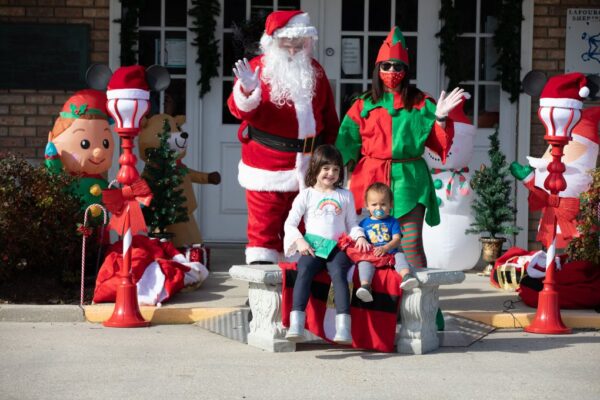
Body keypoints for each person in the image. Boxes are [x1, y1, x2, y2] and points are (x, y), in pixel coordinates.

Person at [336, 27, 464, 269]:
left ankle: (419, 292)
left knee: (410, 241)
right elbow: (346, 143)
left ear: (406, 71)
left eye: (398, 66)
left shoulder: (421, 102)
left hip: (410, 177)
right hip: (371, 176)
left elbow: (439, 144)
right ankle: (377, 291)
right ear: (378, 69)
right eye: (386, 66)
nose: (392, 71)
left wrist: (440, 119)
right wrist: (343, 177)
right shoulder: (363, 104)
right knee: (371, 240)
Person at [227, 10, 340, 265]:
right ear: (272, 42)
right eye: (286, 43)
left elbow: (329, 119)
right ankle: (263, 284)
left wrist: (331, 156)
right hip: (266, 165)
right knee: (264, 233)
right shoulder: (255, 69)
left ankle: (301, 283)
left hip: (309, 165)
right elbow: (238, 110)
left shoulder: (315, 71)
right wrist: (246, 90)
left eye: (298, 43)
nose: (292, 49)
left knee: (306, 231)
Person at [282, 144, 369, 344]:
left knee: (339, 273)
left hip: (337, 248)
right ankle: (296, 323)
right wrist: (300, 241)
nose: (331, 173)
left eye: (336, 169)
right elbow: (290, 223)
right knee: (304, 270)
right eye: (326, 168)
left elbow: (352, 223)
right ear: (315, 168)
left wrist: (360, 237)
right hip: (312, 248)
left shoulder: (345, 195)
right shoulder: (306, 195)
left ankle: (343, 327)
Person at [355, 182, 418, 303]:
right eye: (374, 204)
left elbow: (397, 239)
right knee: (363, 262)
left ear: (391, 205)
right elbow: (360, 238)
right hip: (373, 255)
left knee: (400, 256)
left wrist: (386, 248)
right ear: (367, 206)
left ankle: (406, 276)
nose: (378, 208)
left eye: (383, 204)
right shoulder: (363, 223)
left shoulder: (393, 221)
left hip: (390, 254)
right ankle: (365, 286)